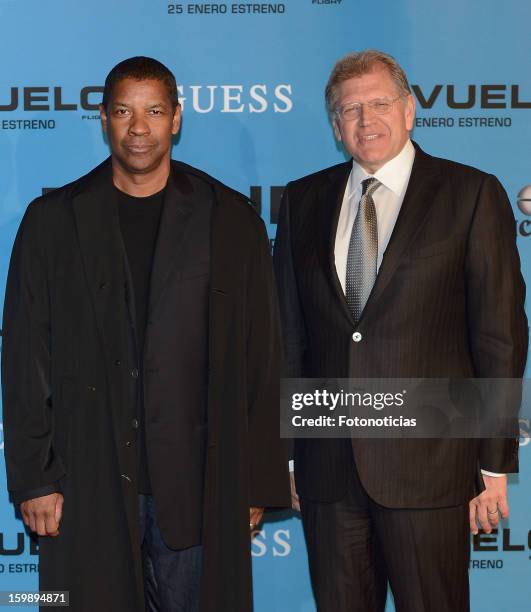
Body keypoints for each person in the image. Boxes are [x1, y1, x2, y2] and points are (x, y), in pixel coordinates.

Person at [2, 56, 289, 612]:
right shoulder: (51, 222)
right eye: (124, 112)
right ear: (103, 119)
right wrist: (33, 480)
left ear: (177, 118)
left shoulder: (228, 220)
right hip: (86, 482)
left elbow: (260, 356)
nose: (139, 127)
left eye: (154, 111)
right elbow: (25, 359)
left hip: (201, 484)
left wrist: (255, 481)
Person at [273, 49, 527, 611]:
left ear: (410, 109)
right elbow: (290, 336)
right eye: (350, 109)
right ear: (335, 126)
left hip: (432, 469)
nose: (367, 120)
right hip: (329, 473)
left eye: (380, 103)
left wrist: (492, 463)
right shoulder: (303, 200)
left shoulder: (472, 193)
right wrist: (290, 455)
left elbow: (499, 337)